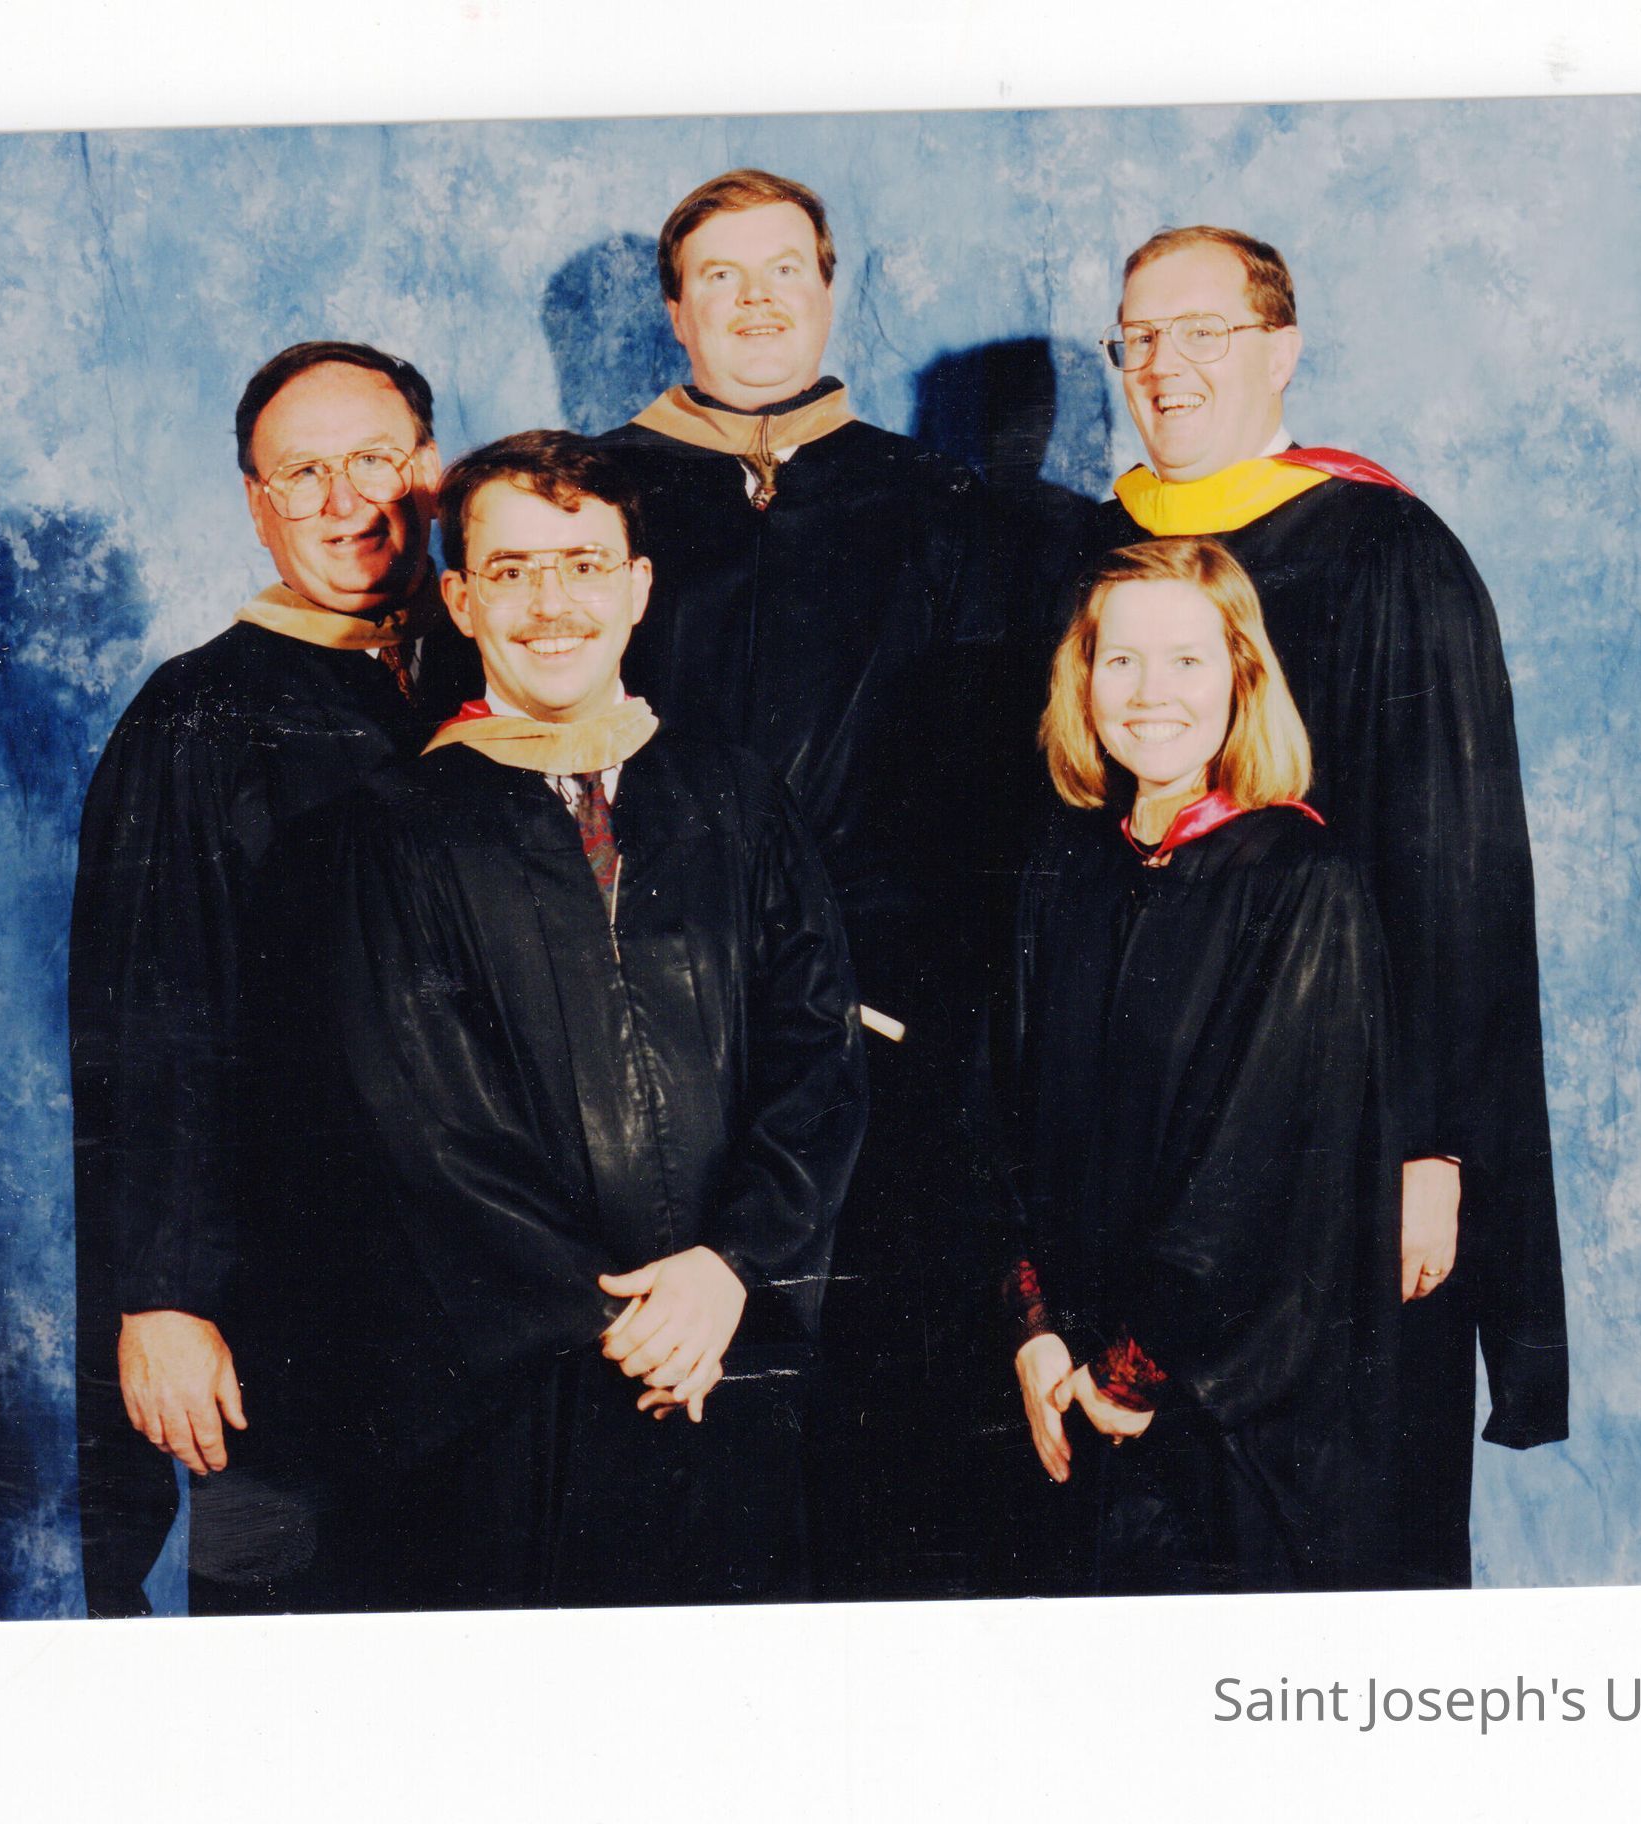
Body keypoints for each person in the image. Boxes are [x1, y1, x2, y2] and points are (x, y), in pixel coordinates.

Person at [229, 430, 867, 1608]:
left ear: (638, 587)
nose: (552, 604)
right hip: (514, 1403)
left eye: (583, 564)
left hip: (732, 1354)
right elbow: (423, 1132)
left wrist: (729, 1270)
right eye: (512, 571)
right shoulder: (385, 836)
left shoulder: (737, 801)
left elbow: (816, 1059)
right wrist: (628, 1323)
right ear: (461, 601)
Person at [1078, 226, 1568, 1585]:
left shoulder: (1384, 550)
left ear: (1282, 350)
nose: (1166, 365)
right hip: (1137, 1139)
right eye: (1140, 336)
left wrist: (1433, 1149)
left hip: (1346, 1138)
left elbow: (1455, 877)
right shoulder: (1092, 557)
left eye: (1206, 332)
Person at [583, 167, 1016, 1600]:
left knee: (894, 1441)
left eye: (786, 270)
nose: (757, 301)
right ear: (675, 309)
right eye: (721, 275)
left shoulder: (945, 508)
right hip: (654, 1041)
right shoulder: (590, 505)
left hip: (890, 1036)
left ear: (833, 292)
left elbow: (990, 803)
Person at [67, 340, 442, 1617]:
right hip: (291, 1296)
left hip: (481, 1289)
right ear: (255, 504)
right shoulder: (200, 717)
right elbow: (148, 1030)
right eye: (303, 475)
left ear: (431, 470)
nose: (346, 502)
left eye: (375, 461)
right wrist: (163, 1297)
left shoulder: (503, 668)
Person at [993, 536, 1400, 1594]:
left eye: (1186, 660)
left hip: (1224, 1420)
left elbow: (1259, 1174)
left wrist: (1132, 1371)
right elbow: (998, 1118)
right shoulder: (1063, 867)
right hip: (1064, 1391)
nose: (1150, 693)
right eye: (1121, 660)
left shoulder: (1300, 880)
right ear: (1082, 678)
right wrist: (1035, 1333)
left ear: (1241, 678)